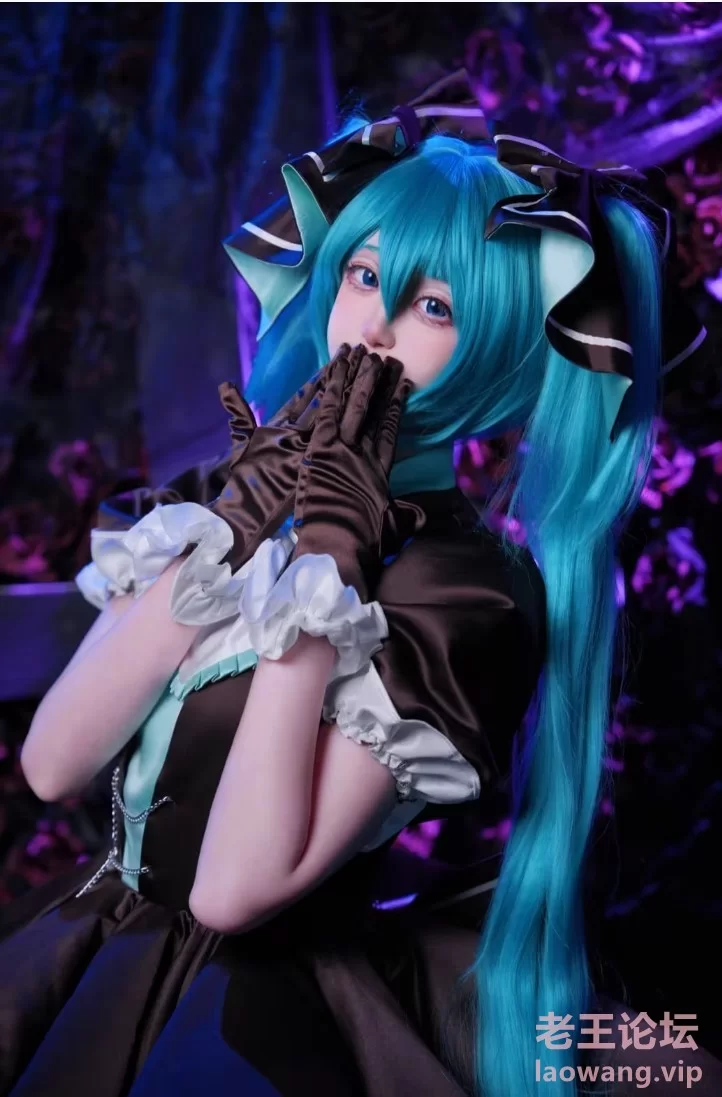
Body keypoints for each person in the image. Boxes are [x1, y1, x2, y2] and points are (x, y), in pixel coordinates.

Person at [0, 71, 718, 1097]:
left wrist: (330, 568)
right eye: (365, 275)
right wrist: (237, 526)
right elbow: (52, 761)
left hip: (253, 1015)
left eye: (432, 305)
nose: (373, 326)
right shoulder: (221, 499)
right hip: (89, 950)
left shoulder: (468, 597)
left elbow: (234, 891)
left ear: (502, 352)